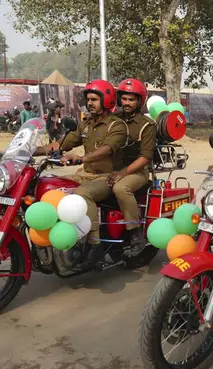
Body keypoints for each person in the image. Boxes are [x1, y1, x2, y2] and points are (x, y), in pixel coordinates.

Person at [59, 80, 127, 267]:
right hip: (86, 174)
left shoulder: (116, 125)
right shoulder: (85, 124)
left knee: (83, 193)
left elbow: (107, 148)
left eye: (95, 99)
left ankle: (94, 244)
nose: (90, 103)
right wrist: (33, 149)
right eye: (88, 99)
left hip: (107, 177)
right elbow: (63, 144)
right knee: (54, 187)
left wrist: (82, 158)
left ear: (107, 101)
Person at [107, 78, 156, 256]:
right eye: (124, 99)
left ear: (139, 101)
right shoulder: (112, 119)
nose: (127, 103)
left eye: (131, 99)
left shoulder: (146, 125)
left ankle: (134, 232)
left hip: (136, 171)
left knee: (121, 188)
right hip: (112, 168)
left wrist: (122, 173)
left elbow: (145, 158)